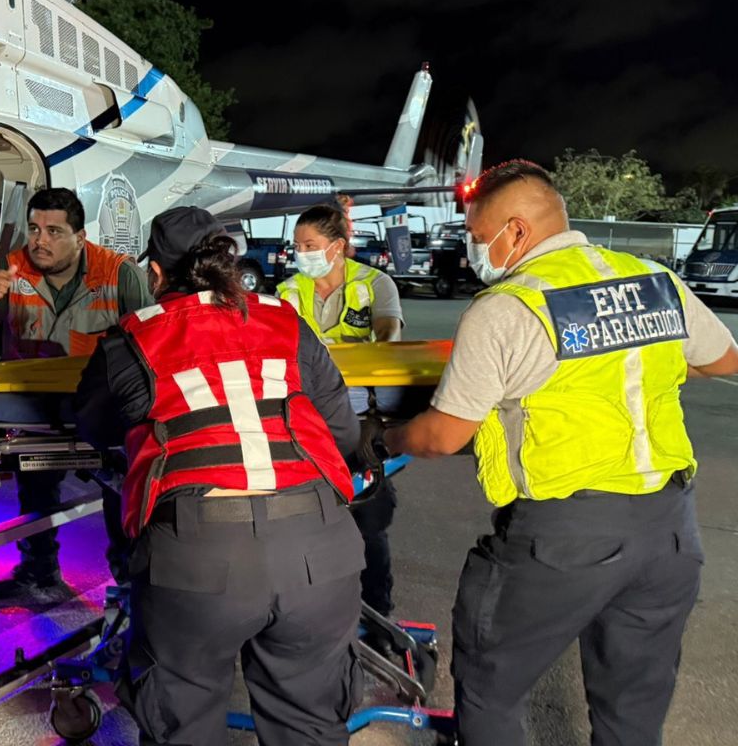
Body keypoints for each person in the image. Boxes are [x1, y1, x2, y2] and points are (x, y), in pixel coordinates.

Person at [383, 160, 738, 746]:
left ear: (516, 231)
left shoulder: (507, 307)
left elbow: (444, 436)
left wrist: (387, 440)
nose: (475, 251)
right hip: (670, 531)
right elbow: (722, 358)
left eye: (478, 236)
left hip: (564, 537)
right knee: (632, 708)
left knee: (492, 689)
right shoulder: (654, 280)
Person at [75, 206, 369, 746]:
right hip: (317, 547)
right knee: (310, 727)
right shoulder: (285, 319)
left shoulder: (132, 338)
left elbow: (93, 426)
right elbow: (342, 432)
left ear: (156, 274)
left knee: (182, 721)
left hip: (196, 556)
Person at [0, 188, 153, 609]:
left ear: (80, 237)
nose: (40, 240)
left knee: (121, 493)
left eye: (54, 231)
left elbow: (149, 346)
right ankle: (39, 574)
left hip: (99, 407)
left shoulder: (118, 274)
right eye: (35, 229)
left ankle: (132, 589)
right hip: (36, 407)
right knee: (35, 493)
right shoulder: (13, 270)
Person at [277, 203, 404, 618]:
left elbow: (387, 339)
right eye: (297, 246)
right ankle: (309, 614)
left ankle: (376, 613)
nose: (301, 253)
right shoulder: (287, 292)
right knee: (303, 522)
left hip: (358, 423)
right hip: (303, 423)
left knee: (366, 521)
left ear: (337, 246)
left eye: (309, 245)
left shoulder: (375, 285)